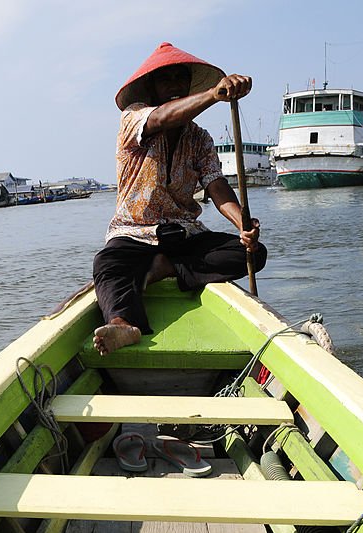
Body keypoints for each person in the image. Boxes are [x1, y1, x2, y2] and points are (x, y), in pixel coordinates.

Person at [93, 42, 267, 357]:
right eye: (166, 80)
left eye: (179, 79)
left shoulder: (200, 138)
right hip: (134, 232)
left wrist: (242, 222)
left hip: (184, 236)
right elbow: (160, 119)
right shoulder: (135, 118)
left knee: (251, 255)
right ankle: (122, 324)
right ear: (152, 88)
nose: (174, 86)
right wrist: (214, 94)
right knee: (108, 264)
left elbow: (216, 186)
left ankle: (166, 266)